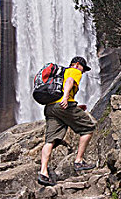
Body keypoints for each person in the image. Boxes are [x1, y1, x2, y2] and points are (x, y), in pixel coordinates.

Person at [38, 56, 97, 186]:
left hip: (50, 108)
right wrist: (65, 98)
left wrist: (73, 104)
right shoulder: (73, 71)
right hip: (63, 105)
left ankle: (43, 172)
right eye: (83, 68)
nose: (83, 72)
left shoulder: (60, 74)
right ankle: (79, 161)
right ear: (76, 64)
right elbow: (70, 81)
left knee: (50, 140)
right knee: (88, 128)